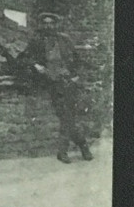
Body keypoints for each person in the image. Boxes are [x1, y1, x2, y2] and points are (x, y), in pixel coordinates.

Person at [17, 12, 93, 164]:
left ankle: (75, 148)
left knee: (67, 116)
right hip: (52, 82)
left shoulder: (64, 40)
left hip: (68, 81)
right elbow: (24, 57)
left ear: (56, 25)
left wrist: (76, 75)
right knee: (66, 116)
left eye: (51, 23)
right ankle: (74, 148)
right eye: (45, 23)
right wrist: (36, 65)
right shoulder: (36, 41)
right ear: (41, 25)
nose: (48, 26)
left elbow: (78, 59)